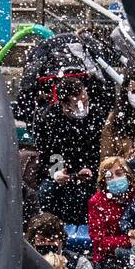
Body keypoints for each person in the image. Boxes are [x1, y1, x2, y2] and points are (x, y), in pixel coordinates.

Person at [32, 81, 107, 226]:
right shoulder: (50, 117)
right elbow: (49, 152)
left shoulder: (96, 115)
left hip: (89, 170)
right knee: (48, 191)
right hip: (63, 169)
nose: (84, 106)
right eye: (79, 103)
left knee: (87, 194)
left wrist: (90, 168)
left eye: (86, 101)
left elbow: (99, 149)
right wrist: (57, 172)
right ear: (65, 104)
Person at [86, 156, 134, 269]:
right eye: (109, 176)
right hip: (109, 259)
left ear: (128, 175)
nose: (115, 179)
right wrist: (129, 241)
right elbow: (99, 241)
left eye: (119, 174)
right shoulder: (97, 202)